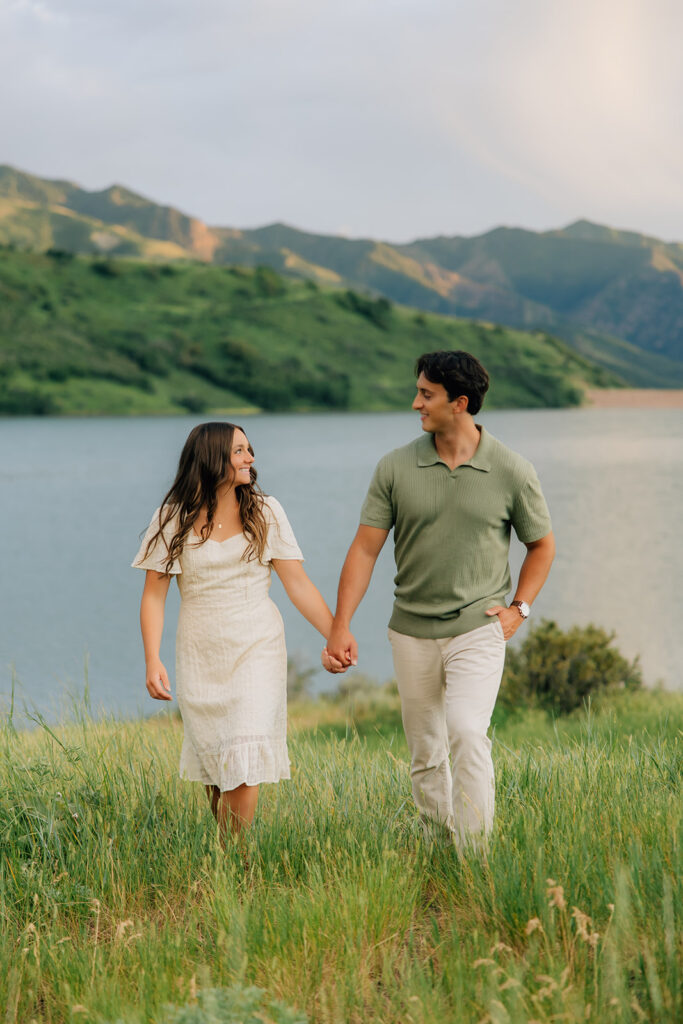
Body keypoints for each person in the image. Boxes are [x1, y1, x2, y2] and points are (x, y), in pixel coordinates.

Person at [325, 351, 555, 851]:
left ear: (460, 403)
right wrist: (340, 624)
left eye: (426, 394)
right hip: (410, 630)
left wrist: (520, 609)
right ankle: (438, 848)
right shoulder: (395, 467)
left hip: (479, 625)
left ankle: (475, 859)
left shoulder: (512, 470)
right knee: (426, 749)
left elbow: (542, 546)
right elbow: (365, 549)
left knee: (468, 732)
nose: (416, 403)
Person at [133, 421, 338, 839]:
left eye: (249, 450)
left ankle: (236, 860)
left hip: (255, 644)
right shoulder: (171, 518)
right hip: (199, 649)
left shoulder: (265, 511)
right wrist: (152, 660)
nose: (251, 458)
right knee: (214, 760)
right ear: (212, 459)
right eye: (240, 451)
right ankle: (230, 860)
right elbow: (154, 595)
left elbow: (296, 583)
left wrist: (336, 633)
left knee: (244, 749)